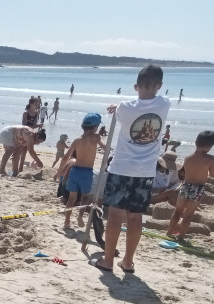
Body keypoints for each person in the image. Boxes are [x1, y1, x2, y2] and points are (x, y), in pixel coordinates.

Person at [96, 65, 170, 275]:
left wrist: (115, 106)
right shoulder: (165, 104)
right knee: (136, 217)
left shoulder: (125, 108)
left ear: (136, 86)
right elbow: (152, 100)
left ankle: (108, 260)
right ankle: (128, 262)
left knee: (115, 216)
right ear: (159, 86)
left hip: (121, 167)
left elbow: (121, 109)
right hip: (145, 171)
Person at [55, 113, 106, 228]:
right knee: (85, 197)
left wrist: (59, 172)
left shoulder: (77, 140)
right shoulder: (96, 137)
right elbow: (105, 147)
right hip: (87, 172)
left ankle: (67, 221)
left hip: (75, 171)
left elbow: (65, 157)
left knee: (72, 197)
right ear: (96, 126)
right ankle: (80, 216)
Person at [166, 131, 214, 240]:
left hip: (185, 186)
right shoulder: (210, 159)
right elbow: (212, 174)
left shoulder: (188, 157)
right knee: (188, 214)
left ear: (196, 142)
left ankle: (168, 233)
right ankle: (181, 236)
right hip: (198, 188)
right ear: (210, 146)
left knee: (177, 211)